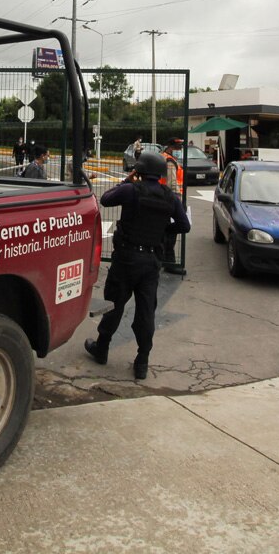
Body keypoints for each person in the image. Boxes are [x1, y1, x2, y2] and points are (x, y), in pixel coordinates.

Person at [85, 152, 191, 380]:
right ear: (160, 173)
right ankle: (142, 361)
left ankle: (102, 348)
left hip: (126, 258)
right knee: (145, 312)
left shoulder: (131, 190)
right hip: (151, 262)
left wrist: (126, 180)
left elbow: (106, 199)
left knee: (114, 305)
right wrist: (164, 231)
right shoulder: (170, 197)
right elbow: (184, 225)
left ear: (139, 170)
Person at [159, 138, 186, 273]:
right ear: (170, 147)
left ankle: (163, 261)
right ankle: (169, 264)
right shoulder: (169, 161)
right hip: (170, 200)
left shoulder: (163, 157)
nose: (180, 149)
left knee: (164, 232)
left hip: (163, 199)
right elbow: (171, 184)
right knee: (171, 233)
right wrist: (178, 202)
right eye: (178, 147)